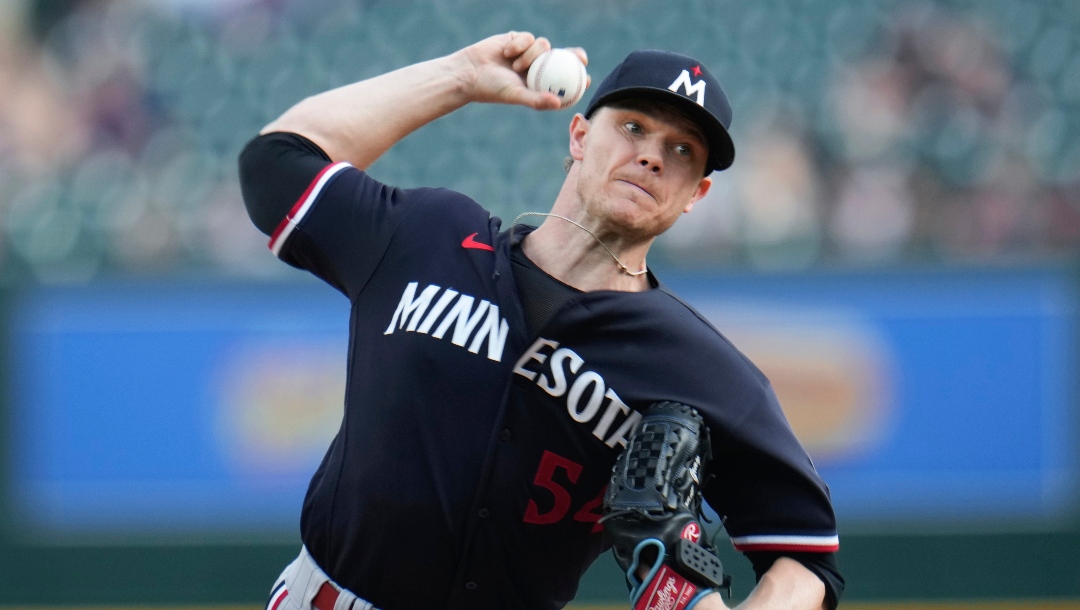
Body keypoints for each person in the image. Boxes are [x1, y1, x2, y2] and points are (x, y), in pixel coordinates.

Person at [238, 32, 843, 610]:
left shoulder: (697, 366)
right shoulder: (427, 240)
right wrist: (460, 77)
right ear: (579, 135)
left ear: (697, 195)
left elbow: (808, 552)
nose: (652, 156)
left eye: (682, 150)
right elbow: (275, 163)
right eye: (633, 127)